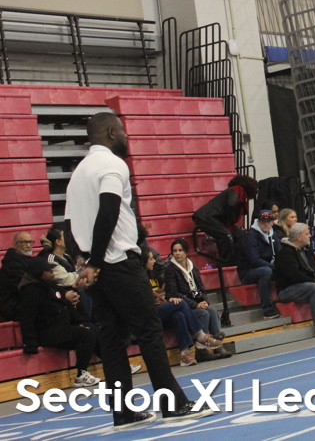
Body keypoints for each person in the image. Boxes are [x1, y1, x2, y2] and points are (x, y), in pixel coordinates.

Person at [67, 112, 211, 430]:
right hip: (118, 263)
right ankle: (173, 404)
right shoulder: (113, 164)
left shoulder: (78, 172)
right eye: (122, 131)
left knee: (112, 337)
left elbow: (68, 223)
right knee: (148, 331)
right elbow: (108, 211)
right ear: (110, 132)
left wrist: (84, 259)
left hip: (97, 266)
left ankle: (123, 412)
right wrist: (96, 260)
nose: (126, 136)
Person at [17, 256, 101, 386]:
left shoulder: (51, 286)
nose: (52, 273)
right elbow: (27, 318)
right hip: (47, 332)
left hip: (62, 327)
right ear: (39, 273)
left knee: (93, 329)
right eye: (48, 271)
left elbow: (66, 304)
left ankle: (111, 363)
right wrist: (30, 343)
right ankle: (81, 374)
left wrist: (80, 321)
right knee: (85, 334)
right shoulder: (31, 292)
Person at [145, 249, 226, 367]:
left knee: (179, 315)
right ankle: (201, 337)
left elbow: (169, 292)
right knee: (183, 304)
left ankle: (185, 353)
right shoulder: (141, 278)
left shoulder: (156, 274)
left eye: (180, 250)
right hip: (149, 313)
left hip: (163, 308)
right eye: (151, 259)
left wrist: (166, 296)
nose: (154, 261)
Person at [164, 238, 224, 340]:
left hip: (196, 302)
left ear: (186, 252)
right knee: (203, 313)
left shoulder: (193, 268)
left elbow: (201, 288)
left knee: (212, 311)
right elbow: (175, 293)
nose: (177, 253)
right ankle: (202, 344)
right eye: (175, 251)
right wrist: (196, 305)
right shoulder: (170, 270)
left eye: (180, 250)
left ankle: (217, 342)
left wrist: (205, 301)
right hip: (184, 306)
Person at [192, 175, 258, 265]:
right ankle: (225, 263)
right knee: (226, 236)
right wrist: (228, 220)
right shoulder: (237, 189)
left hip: (214, 219)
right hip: (206, 218)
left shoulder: (237, 193)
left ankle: (236, 261)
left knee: (239, 234)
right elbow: (231, 203)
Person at [236, 208, 280, 320]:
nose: (266, 224)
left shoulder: (273, 235)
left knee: (287, 268)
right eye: (263, 221)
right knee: (266, 271)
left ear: (272, 222)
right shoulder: (250, 237)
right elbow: (254, 261)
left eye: (269, 221)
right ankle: (267, 310)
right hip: (248, 272)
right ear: (258, 221)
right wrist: (275, 267)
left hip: (268, 267)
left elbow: (280, 253)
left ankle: (286, 301)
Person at [0, 231, 34, 320]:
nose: (28, 245)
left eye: (30, 242)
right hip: (13, 306)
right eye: (24, 242)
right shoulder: (12, 264)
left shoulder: (26, 260)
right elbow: (26, 286)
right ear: (15, 244)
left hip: (22, 302)